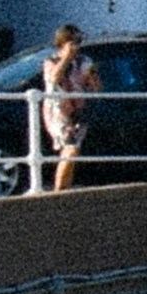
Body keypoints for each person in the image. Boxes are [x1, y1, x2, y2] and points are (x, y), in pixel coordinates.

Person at [29, 22, 94, 192]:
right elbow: (53, 79)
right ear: (62, 42)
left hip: (78, 109)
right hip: (58, 111)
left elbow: (95, 86)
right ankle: (59, 190)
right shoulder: (51, 61)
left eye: (79, 40)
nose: (77, 45)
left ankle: (63, 188)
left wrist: (93, 75)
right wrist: (66, 58)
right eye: (72, 41)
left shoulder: (84, 62)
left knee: (72, 152)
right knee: (70, 149)